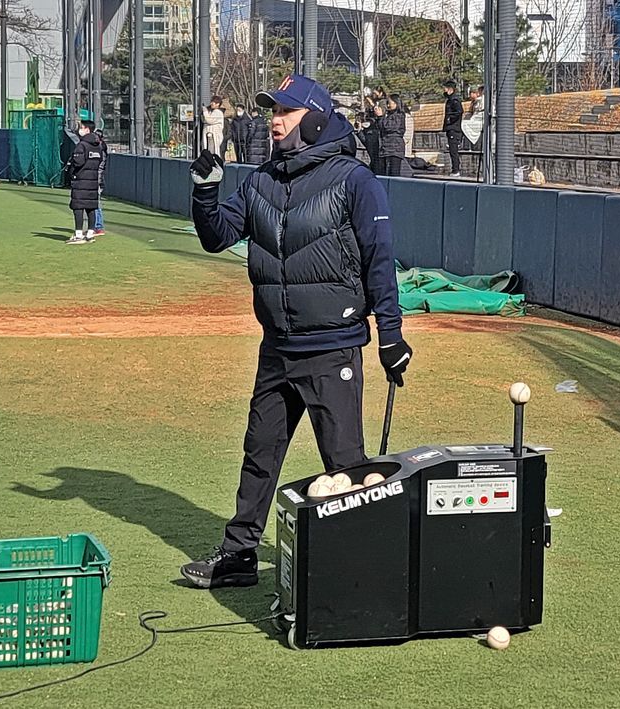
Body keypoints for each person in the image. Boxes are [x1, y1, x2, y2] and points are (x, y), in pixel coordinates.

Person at [180, 74, 413, 589]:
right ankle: (239, 556)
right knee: (259, 453)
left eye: (284, 111)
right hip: (277, 347)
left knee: (347, 468)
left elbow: (380, 261)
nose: (274, 120)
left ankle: (362, 576)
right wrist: (205, 192)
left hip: (333, 348)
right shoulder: (261, 179)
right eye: (271, 111)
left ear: (313, 117)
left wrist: (391, 335)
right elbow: (218, 237)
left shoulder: (355, 180)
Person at [64, 120, 103, 245]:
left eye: (81, 127)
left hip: (81, 180)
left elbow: (78, 162)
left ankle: (79, 234)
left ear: (87, 130)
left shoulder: (82, 145)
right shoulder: (98, 145)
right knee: (91, 207)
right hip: (93, 180)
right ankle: (90, 233)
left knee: (78, 207)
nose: (79, 129)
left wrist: (71, 171)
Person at [375, 94, 406, 177]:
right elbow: (381, 128)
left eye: (390, 103)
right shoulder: (388, 115)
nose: (388, 105)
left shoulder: (399, 115)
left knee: (394, 173)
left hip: (395, 148)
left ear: (396, 103)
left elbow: (389, 127)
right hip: (386, 148)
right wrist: (379, 118)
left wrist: (381, 117)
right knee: (384, 173)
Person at [442, 80, 463, 177]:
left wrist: (450, 119)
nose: (444, 90)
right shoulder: (449, 101)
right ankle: (454, 169)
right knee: (451, 150)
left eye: (445, 88)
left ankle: (456, 170)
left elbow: (459, 112)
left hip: (454, 129)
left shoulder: (455, 100)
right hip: (450, 128)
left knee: (454, 150)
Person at [93, 129, 109, 236]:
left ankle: (98, 226)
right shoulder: (99, 148)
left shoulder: (101, 150)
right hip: (96, 179)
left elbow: (98, 167)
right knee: (94, 203)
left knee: (96, 204)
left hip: (97, 180)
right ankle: (95, 226)